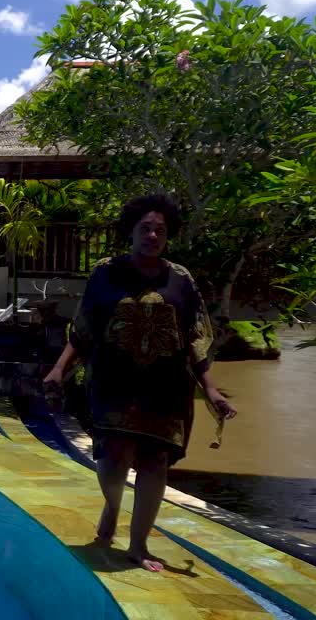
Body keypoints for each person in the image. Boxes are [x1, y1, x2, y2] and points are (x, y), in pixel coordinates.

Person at [43, 194, 237, 572]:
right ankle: (112, 507)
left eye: (160, 231)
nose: (152, 236)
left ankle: (138, 545)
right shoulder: (105, 273)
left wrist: (211, 389)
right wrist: (58, 370)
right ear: (131, 232)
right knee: (113, 459)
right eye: (145, 228)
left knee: (155, 461)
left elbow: (196, 338)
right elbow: (84, 328)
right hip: (113, 383)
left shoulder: (181, 280)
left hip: (166, 389)